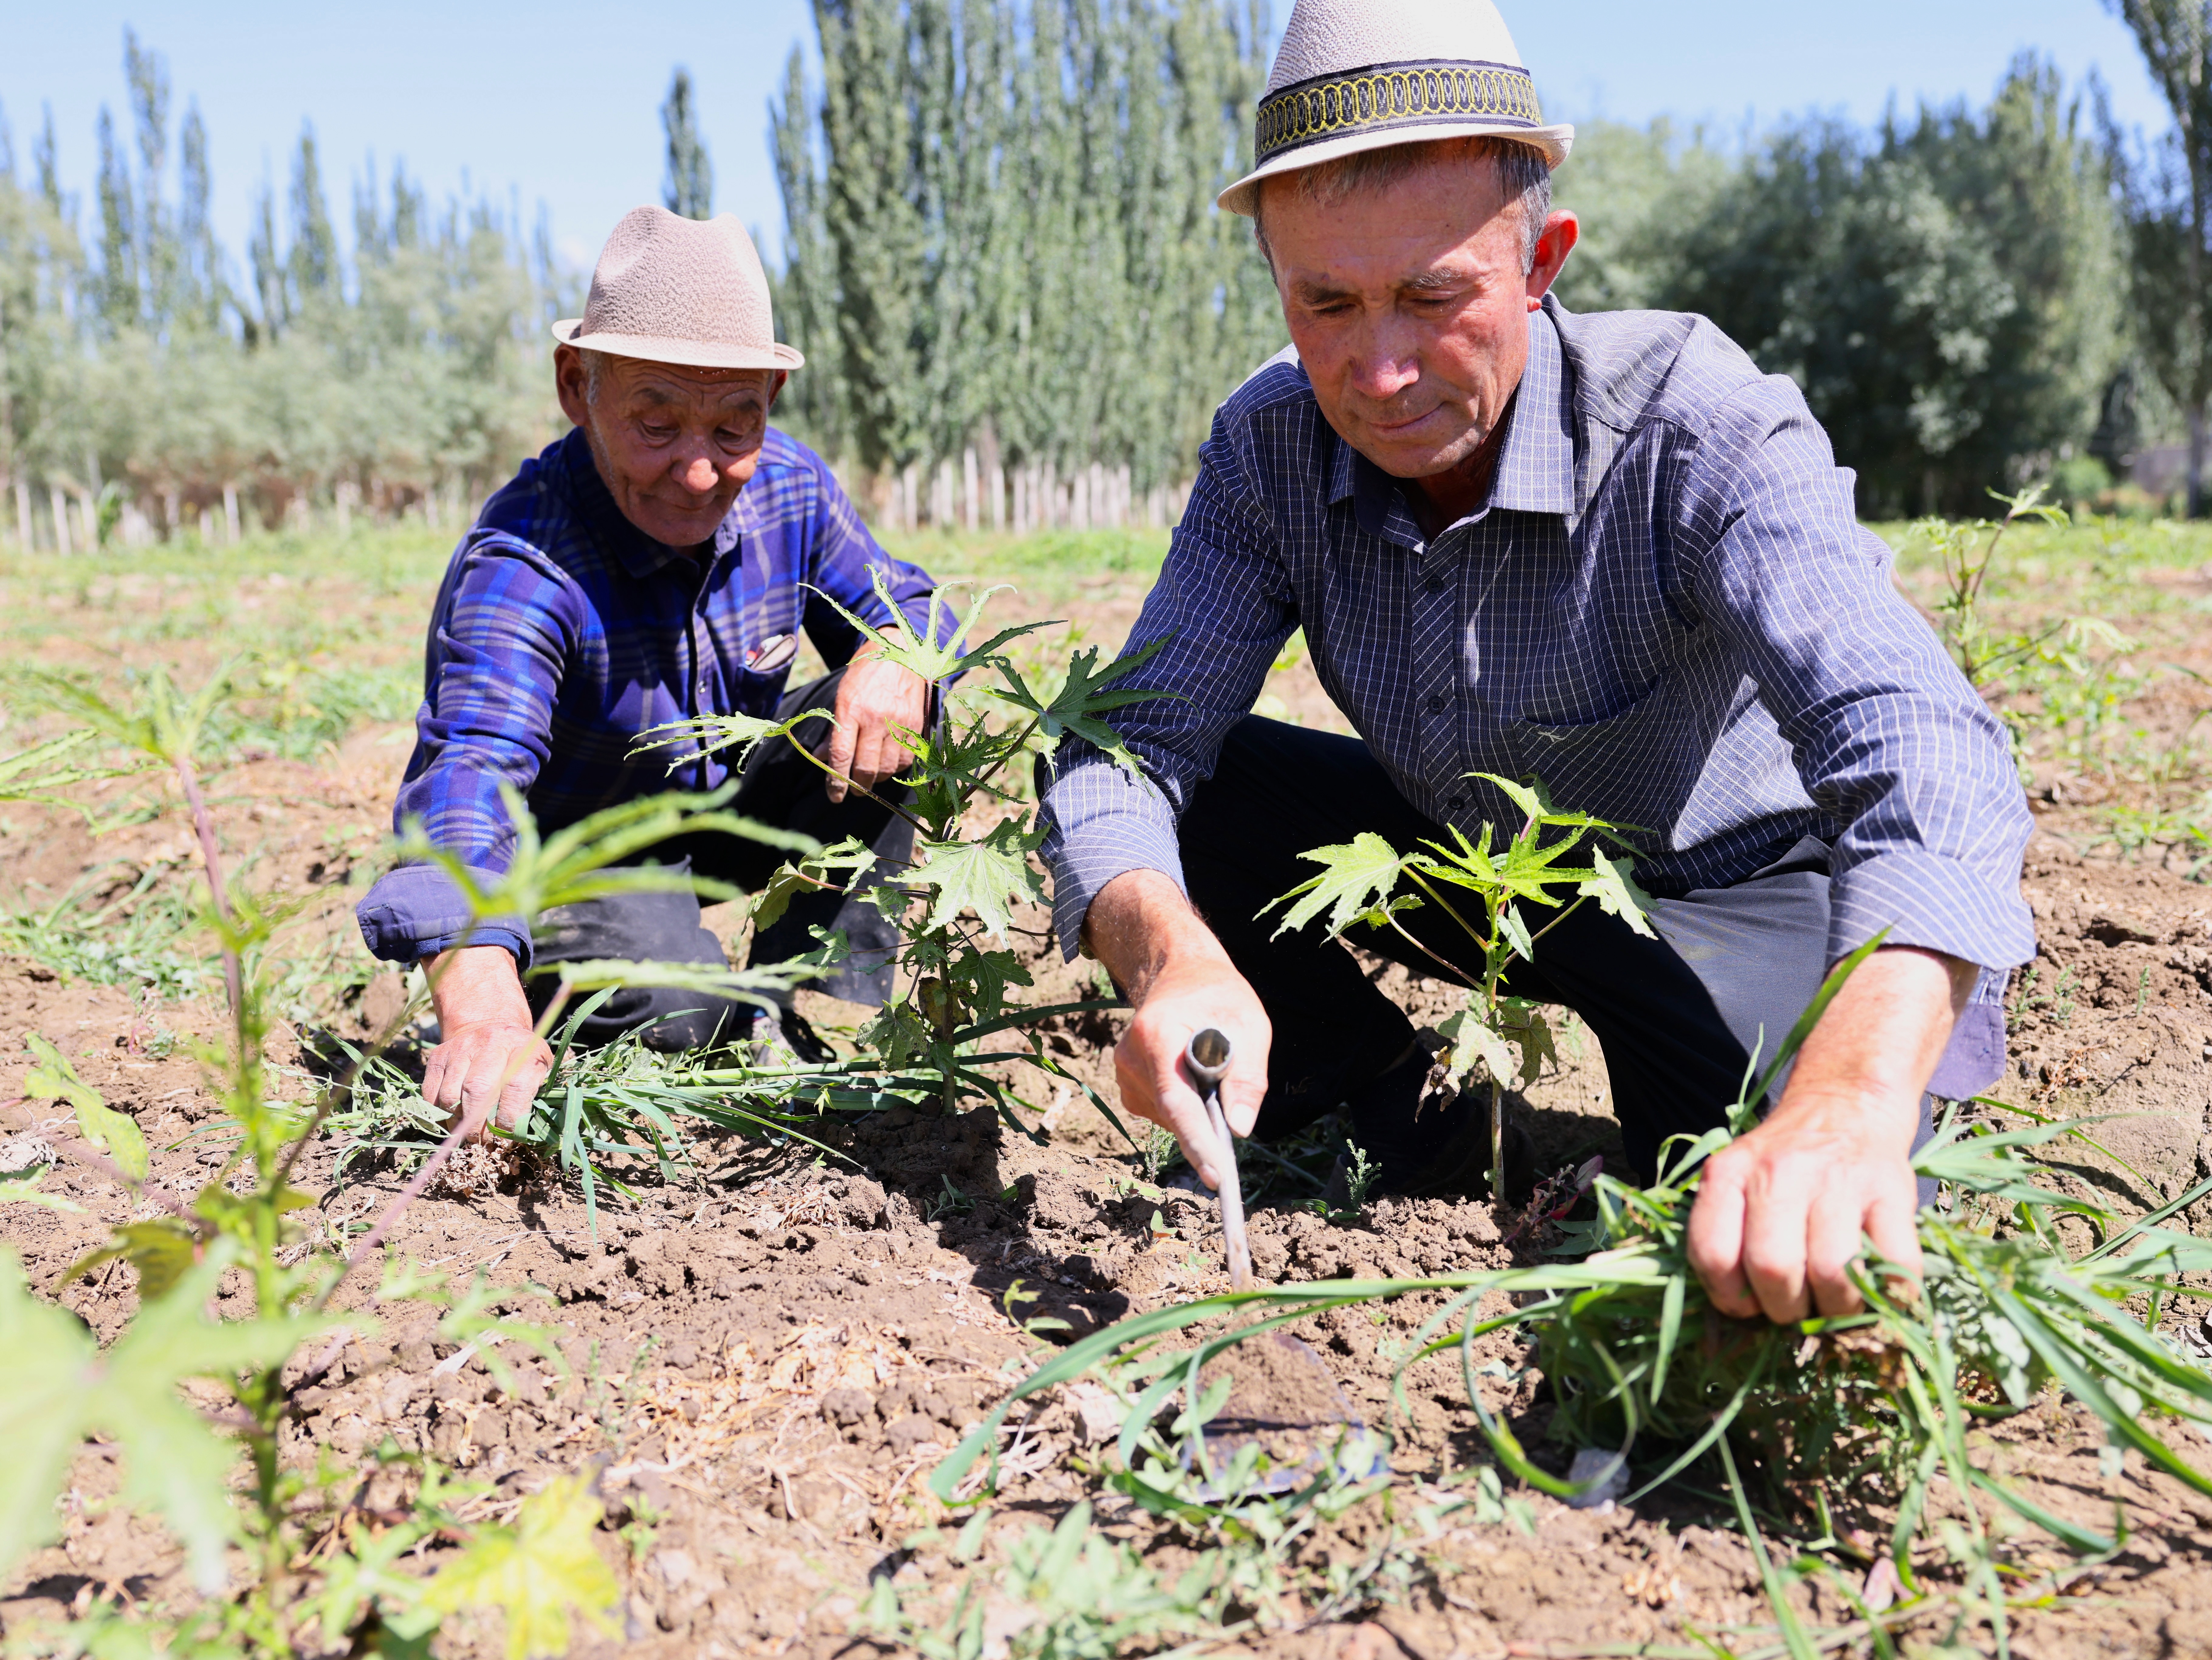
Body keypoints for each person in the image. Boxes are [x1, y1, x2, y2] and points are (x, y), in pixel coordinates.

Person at [1038, 0, 2036, 1326]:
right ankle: (1392, 1123)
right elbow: (1130, 742)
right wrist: (1168, 957)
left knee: (1751, 1228)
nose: (1378, 370)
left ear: (1540, 262)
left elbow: (1916, 737)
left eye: (1433, 296)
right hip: (1474, 870)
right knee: (1196, 807)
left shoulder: (1692, 423)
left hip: (1722, 893)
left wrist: (1851, 1094)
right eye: (1322, 300)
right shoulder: (1269, 445)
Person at [356, 206, 936, 1135]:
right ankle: (684, 1000)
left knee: (898, 706)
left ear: (769, 404)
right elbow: (470, 777)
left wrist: (897, 652)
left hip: (715, 810)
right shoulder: (526, 563)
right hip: (575, 856)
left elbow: (905, 604)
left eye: (734, 425)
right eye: (658, 424)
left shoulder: (789, 486)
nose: (700, 472)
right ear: (577, 383)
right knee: (684, 1016)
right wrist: (475, 995)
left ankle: (807, 1004)